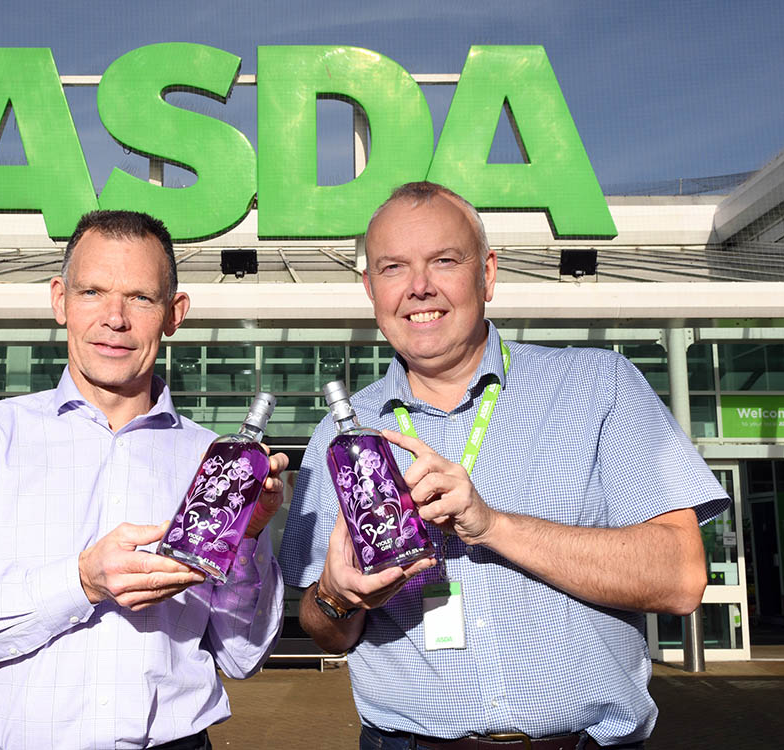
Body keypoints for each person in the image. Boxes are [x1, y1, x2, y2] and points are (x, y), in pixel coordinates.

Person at [279, 182, 729, 750]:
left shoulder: (601, 386)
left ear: (487, 274)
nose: (419, 287)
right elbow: (325, 631)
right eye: (394, 267)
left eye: (444, 260)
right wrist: (335, 597)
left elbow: (681, 578)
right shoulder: (342, 437)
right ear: (370, 289)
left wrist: (492, 526)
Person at [0, 210, 288, 750]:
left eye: (140, 298)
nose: (115, 319)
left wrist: (247, 541)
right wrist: (80, 582)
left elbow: (243, 656)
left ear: (174, 314)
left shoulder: (214, 463)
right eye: (92, 292)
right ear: (60, 300)